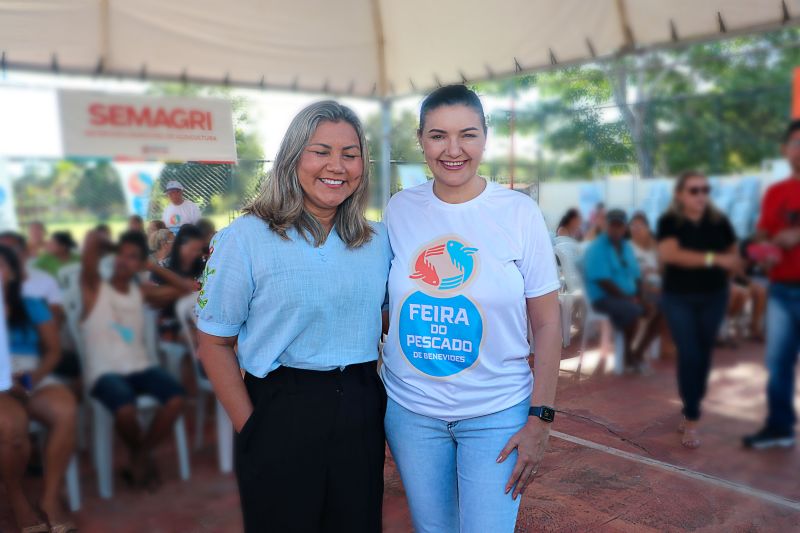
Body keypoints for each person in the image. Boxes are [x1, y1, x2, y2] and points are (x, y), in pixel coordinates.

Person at [197, 101, 391, 533]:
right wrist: (253, 427)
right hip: (280, 406)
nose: (336, 166)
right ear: (292, 157)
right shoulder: (244, 238)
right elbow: (213, 342)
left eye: (350, 153)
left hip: (361, 402)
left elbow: (386, 318)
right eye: (320, 151)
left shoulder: (378, 240)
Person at [381, 85, 562, 533]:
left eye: (468, 134)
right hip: (411, 411)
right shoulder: (400, 209)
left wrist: (540, 418)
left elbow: (547, 323)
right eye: (438, 136)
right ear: (420, 139)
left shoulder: (519, 213)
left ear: (486, 137)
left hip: (497, 412)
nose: (453, 150)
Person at [79, 230, 187, 489]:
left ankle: (140, 454)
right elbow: (91, 246)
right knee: (125, 408)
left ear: (139, 264)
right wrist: (106, 242)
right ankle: (143, 457)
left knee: (176, 399)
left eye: (131, 258)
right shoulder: (95, 287)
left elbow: (182, 289)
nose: (123, 261)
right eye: (121, 256)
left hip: (140, 368)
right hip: (104, 372)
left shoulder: (142, 292)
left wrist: (151, 266)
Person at [657, 171, 740, 449]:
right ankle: (692, 415)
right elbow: (670, 255)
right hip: (678, 297)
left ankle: (689, 403)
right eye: (694, 190)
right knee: (690, 352)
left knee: (702, 355)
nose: (701, 195)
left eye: (705, 189)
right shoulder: (670, 222)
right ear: (680, 195)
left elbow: (734, 257)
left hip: (713, 296)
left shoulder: (720, 222)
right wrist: (713, 258)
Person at [0, 245, 78, 531]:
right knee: (12, 429)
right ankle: (17, 496)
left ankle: (49, 497)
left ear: (11, 273)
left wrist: (31, 379)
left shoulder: (31, 303)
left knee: (65, 409)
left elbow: (54, 350)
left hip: (32, 373)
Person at [743, 120, 800, 450]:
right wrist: (765, 249)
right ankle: (779, 427)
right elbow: (764, 233)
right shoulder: (776, 193)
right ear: (784, 149)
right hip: (780, 289)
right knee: (778, 363)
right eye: (795, 143)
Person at [584, 209, 658, 372]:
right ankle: (627, 355)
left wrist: (639, 296)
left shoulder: (625, 246)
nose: (616, 229)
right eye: (613, 226)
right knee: (633, 310)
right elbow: (603, 281)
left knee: (660, 309)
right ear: (607, 227)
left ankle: (636, 352)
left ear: (624, 228)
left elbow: (637, 275)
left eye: (620, 226)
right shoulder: (598, 247)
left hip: (627, 297)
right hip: (603, 297)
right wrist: (629, 298)